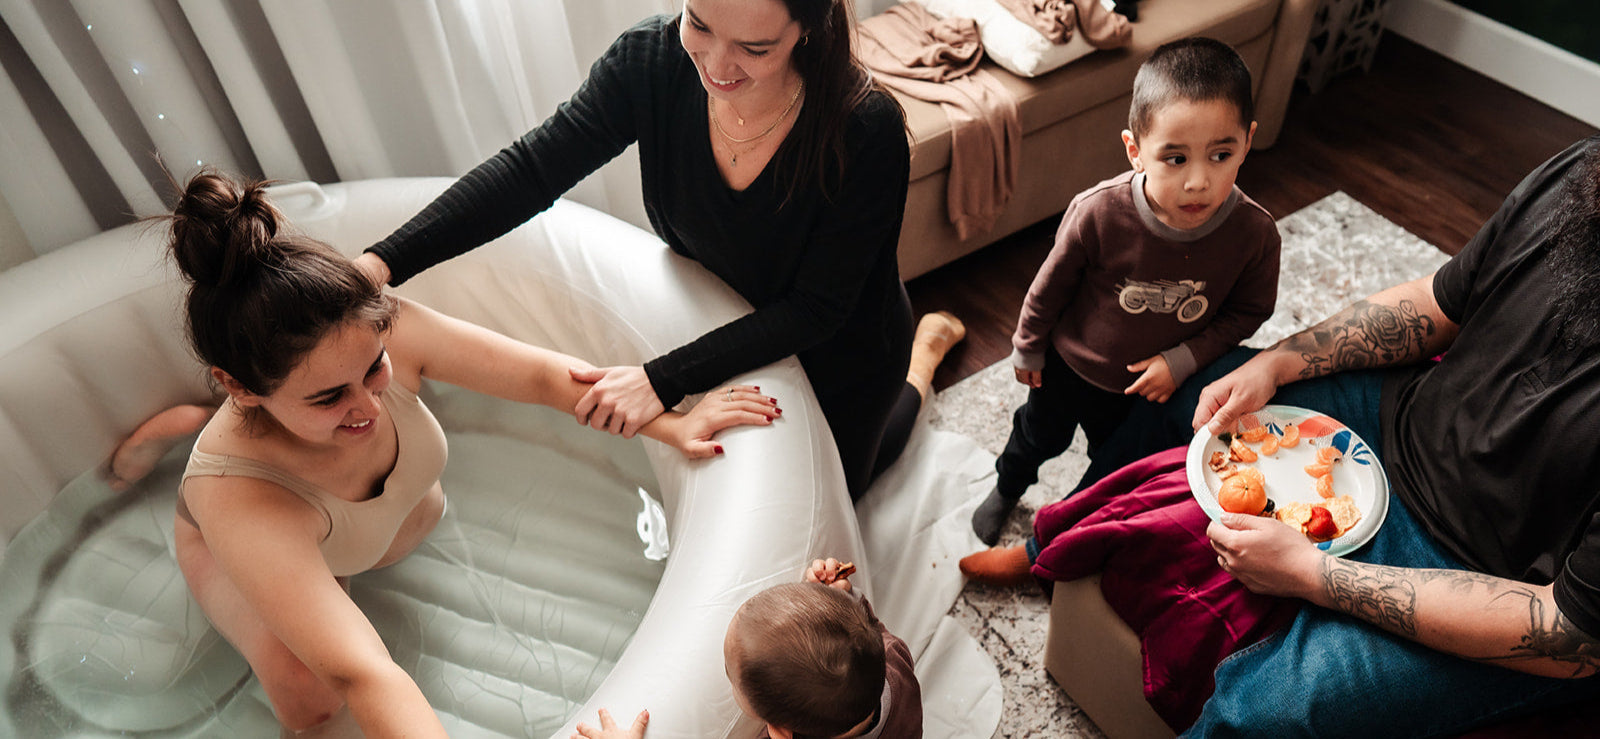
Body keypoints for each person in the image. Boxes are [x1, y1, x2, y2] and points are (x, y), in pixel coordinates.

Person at [110, 170, 779, 737]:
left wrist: (672, 422)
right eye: (328, 397)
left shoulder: (380, 328)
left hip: (370, 521)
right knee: (309, 699)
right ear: (242, 386)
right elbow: (364, 672)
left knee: (416, 516)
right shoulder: (240, 498)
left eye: (375, 368)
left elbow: (544, 378)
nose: (371, 407)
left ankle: (210, 422)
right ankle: (189, 430)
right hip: (235, 531)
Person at [979, 135, 1600, 735]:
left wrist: (1313, 577)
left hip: (1491, 571)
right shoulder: (1580, 173)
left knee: (1267, 711)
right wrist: (1278, 361)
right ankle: (1053, 547)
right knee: (1199, 394)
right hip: (1400, 418)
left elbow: (1569, 632)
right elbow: (1440, 305)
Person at [352, 0, 965, 501]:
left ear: (808, 28)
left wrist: (659, 379)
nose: (717, 65)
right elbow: (531, 170)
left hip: (842, 350)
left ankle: (921, 365)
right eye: (698, 22)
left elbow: (816, 309)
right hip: (722, 314)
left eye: (755, 48)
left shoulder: (864, 129)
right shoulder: (652, 62)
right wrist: (380, 263)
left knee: (842, 487)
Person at [968, 37, 1280, 545]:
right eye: (1174, 159)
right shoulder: (1098, 212)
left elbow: (1248, 313)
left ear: (1247, 141)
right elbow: (1050, 285)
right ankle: (1008, 485)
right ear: (1135, 151)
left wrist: (1182, 359)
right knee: (1036, 436)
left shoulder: (1255, 235)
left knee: (1114, 462)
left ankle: (1080, 521)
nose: (1198, 181)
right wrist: (1028, 344)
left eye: (1221, 154)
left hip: (1150, 387)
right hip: (1069, 366)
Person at [573, 557, 921, 739]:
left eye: (730, 674)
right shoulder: (894, 662)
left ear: (779, 731)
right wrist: (839, 597)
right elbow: (864, 630)